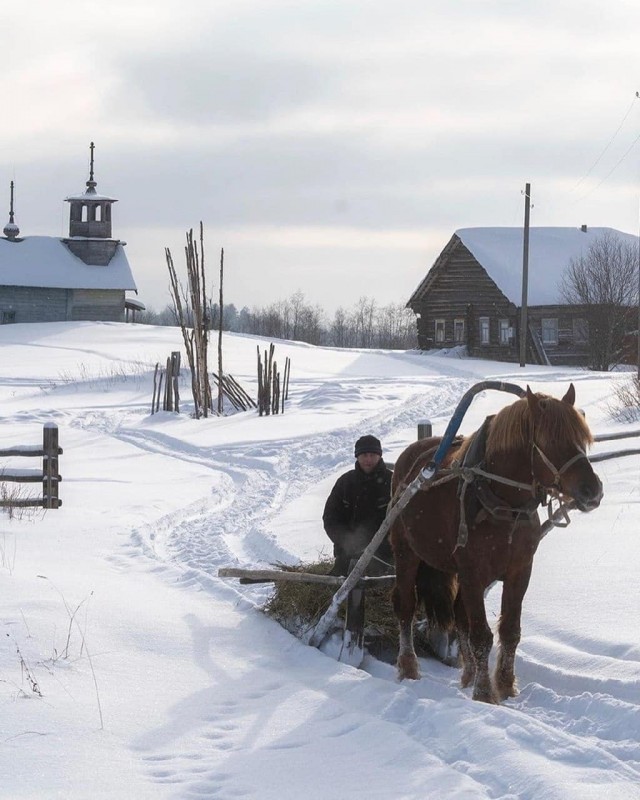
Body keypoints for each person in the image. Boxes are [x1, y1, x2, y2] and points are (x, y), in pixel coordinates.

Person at [322, 434, 394, 577]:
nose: (368, 459)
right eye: (364, 455)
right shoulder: (345, 482)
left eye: (373, 455)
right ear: (357, 456)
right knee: (335, 593)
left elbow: (402, 521)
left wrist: (382, 546)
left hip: (384, 557)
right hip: (347, 555)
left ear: (379, 456)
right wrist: (348, 542)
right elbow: (330, 518)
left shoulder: (392, 482)